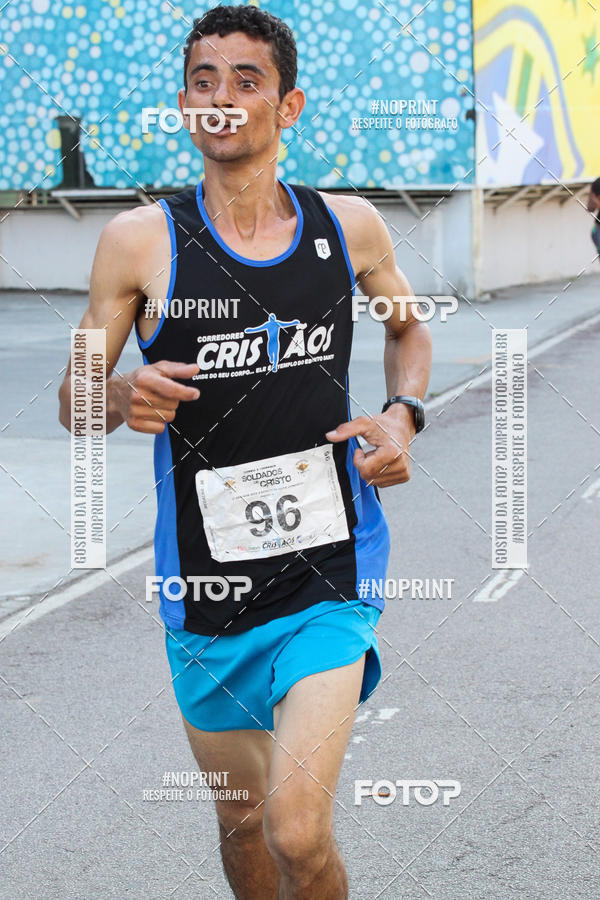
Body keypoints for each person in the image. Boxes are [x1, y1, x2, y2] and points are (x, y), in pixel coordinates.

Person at [58, 5, 432, 898]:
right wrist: (114, 393)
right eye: (204, 80)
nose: (222, 98)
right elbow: (74, 397)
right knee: (240, 820)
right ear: (186, 104)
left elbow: (410, 331)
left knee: (296, 831)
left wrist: (402, 415)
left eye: (247, 80)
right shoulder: (138, 242)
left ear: (288, 106)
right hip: (205, 584)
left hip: (327, 571)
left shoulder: (349, 229)